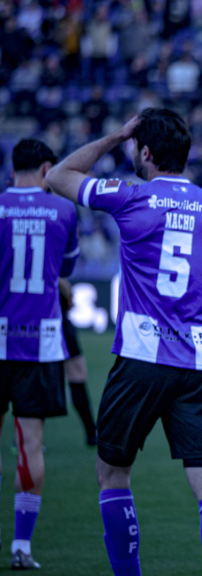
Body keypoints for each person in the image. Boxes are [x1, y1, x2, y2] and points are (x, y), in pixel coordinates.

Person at [46, 108, 202, 576]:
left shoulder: (131, 195)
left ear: (144, 152)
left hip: (141, 358)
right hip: (200, 363)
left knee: (113, 474)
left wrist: (113, 134)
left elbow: (60, 176)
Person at [0, 138, 80, 569]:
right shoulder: (64, 210)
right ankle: (21, 546)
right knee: (30, 444)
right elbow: (64, 273)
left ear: (14, 167)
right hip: (41, 343)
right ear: (47, 167)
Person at [59, 277, 97, 445]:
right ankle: (91, 432)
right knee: (76, 375)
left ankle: (22, 437)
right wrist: (68, 296)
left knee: (30, 378)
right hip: (57, 322)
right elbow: (61, 282)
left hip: (32, 322)